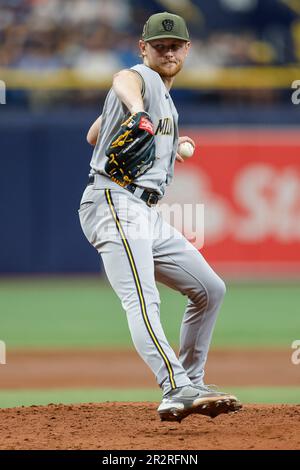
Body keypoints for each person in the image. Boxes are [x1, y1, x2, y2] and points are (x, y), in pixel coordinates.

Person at [79, 11, 241, 422]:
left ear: (187, 49)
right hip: (113, 201)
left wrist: (167, 141)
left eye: (174, 46)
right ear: (143, 49)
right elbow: (123, 81)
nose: (167, 52)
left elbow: (94, 135)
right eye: (159, 46)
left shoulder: (164, 99)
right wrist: (136, 108)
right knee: (142, 298)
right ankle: (174, 388)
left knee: (210, 288)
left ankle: (191, 380)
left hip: (143, 210)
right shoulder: (142, 80)